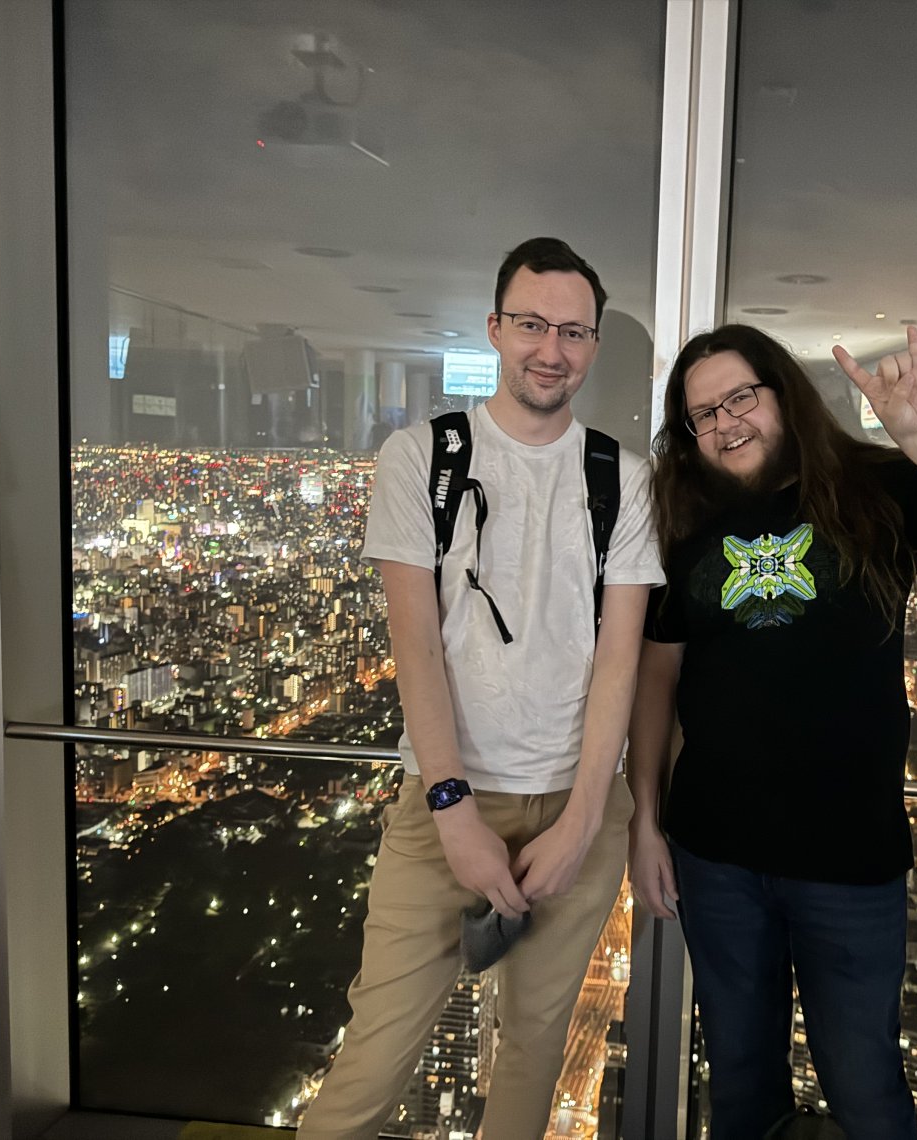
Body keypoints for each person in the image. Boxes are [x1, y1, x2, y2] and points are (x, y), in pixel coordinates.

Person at [628, 323, 917, 1139]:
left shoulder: (878, 486)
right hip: (714, 854)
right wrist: (645, 821)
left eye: (739, 399)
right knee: (742, 1084)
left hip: (850, 859)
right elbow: (658, 676)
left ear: (782, 396)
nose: (724, 424)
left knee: (867, 1089)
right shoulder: (684, 514)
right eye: (701, 415)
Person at [299, 238, 663, 1139]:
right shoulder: (421, 457)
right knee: (373, 1061)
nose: (552, 349)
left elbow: (620, 659)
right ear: (495, 329)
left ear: (592, 347)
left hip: (576, 806)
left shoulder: (623, 478)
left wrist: (585, 821)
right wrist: (453, 808)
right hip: (444, 807)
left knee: (536, 1052)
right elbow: (415, 648)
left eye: (573, 331)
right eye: (533, 324)